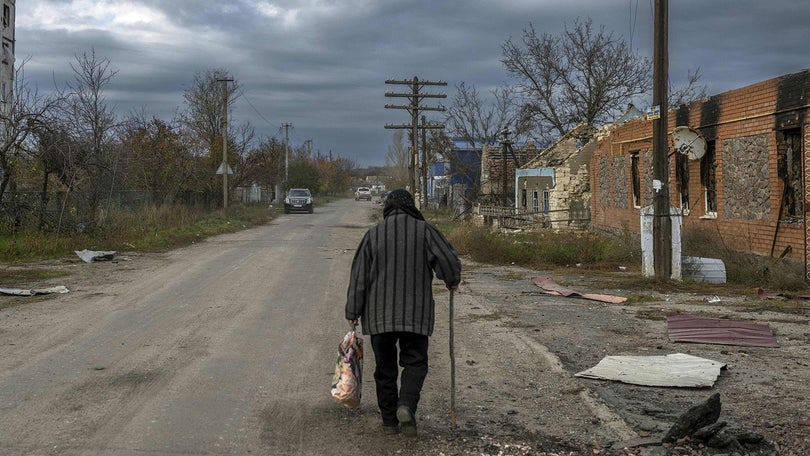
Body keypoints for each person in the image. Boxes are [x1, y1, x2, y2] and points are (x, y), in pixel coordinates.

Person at [345, 189, 461, 437]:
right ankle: (406, 405)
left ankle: (389, 421)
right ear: (411, 207)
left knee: (384, 369)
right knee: (415, 363)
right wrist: (452, 279)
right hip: (415, 315)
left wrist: (353, 311)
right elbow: (448, 261)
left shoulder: (373, 235)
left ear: (387, 208)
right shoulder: (424, 230)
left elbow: (359, 278)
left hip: (379, 317)